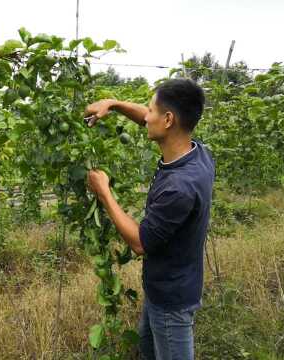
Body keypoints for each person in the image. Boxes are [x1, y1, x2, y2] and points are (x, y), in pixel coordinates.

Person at [84, 78, 215, 360]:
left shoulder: (179, 187)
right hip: (167, 284)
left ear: (168, 120)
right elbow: (143, 117)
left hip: (172, 297)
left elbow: (140, 243)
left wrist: (104, 192)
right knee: (147, 348)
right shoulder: (199, 153)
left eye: (152, 110)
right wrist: (114, 104)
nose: (146, 115)